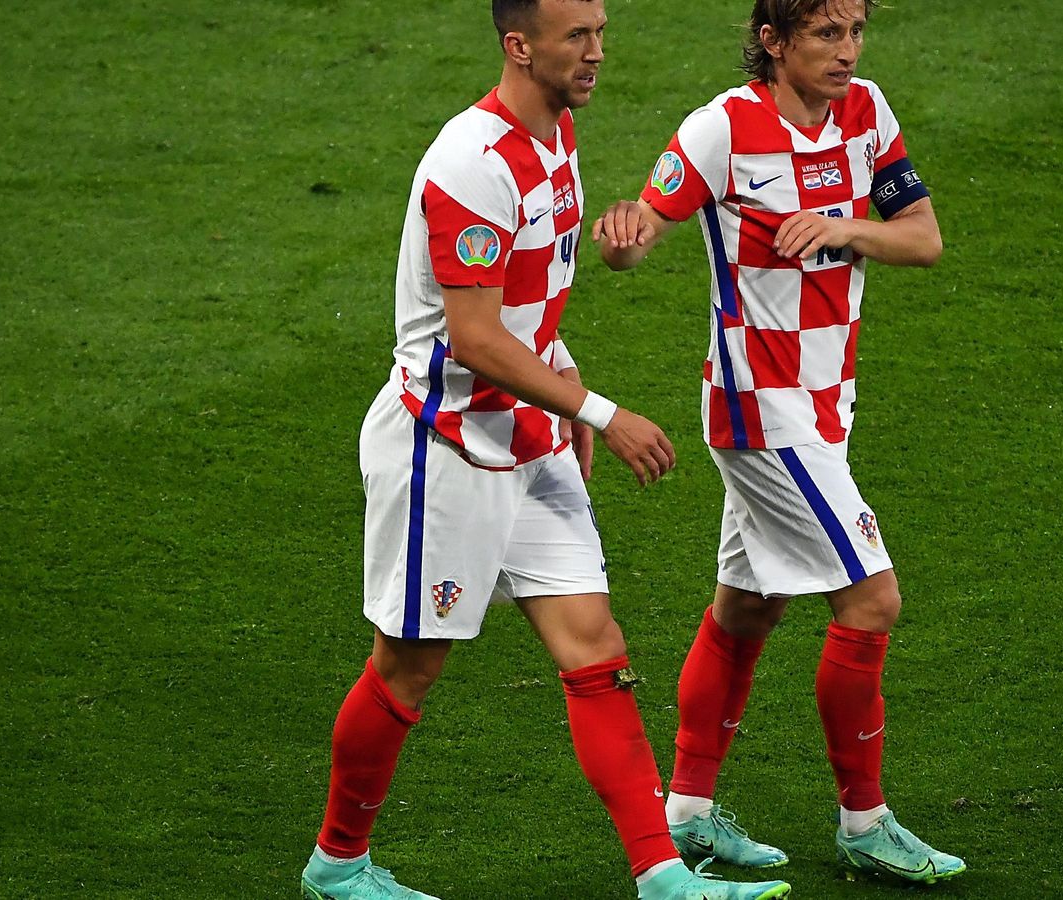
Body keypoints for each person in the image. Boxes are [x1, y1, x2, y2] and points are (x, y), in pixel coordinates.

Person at [300, 2, 794, 898]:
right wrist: (602, 411)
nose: (597, 53)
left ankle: (661, 876)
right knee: (407, 669)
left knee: (593, 646)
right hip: (442, 451)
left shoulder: (557, 136)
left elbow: (530, 312)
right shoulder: (471, 165)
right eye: (577, 36)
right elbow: (477, 338)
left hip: (527, 438)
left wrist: (561, 382)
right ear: (518, 44)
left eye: (601, 33)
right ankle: (337, 865)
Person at [591, 0, 964, 886]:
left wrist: (845, 228)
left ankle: (684, 813)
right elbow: (643, 229)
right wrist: (622, 241)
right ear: (773, 40)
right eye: (825, 35)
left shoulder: (868, 113)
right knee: (872, 602)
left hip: (828, 405)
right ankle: (864, 821)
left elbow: (923, 240)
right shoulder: (723, 128)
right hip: (761, 409)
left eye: (856, 32)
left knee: (747, 609)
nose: (847, 53)